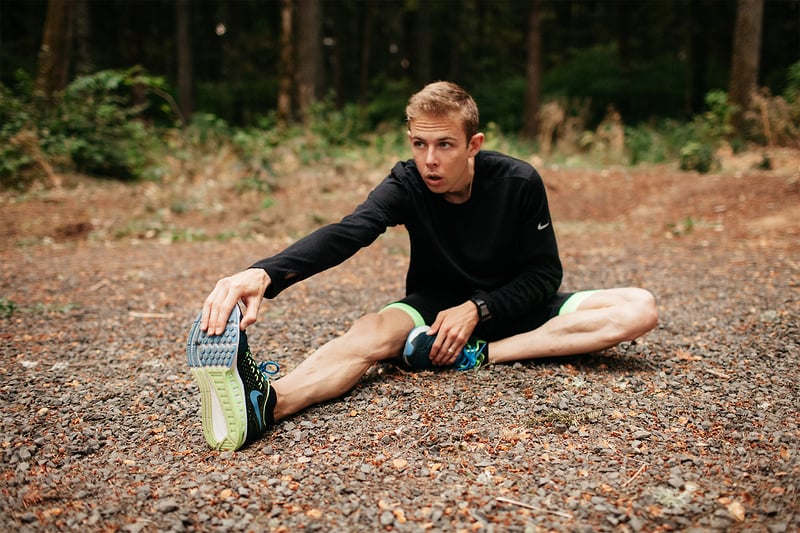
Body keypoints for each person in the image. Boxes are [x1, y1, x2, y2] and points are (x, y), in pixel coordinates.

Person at [186, 81, 658, 451]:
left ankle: (482, 355)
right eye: (419, 144)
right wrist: (263, 274)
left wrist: (478, 309)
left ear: (474, 144)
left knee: (640, 308)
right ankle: (265, 404)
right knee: (368, 334)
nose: (430, 160)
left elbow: (544, 276)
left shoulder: (518, 182)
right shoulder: (407, 183)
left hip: (511, 307)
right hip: (431, 313)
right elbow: (349, 232)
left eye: (445, 145)